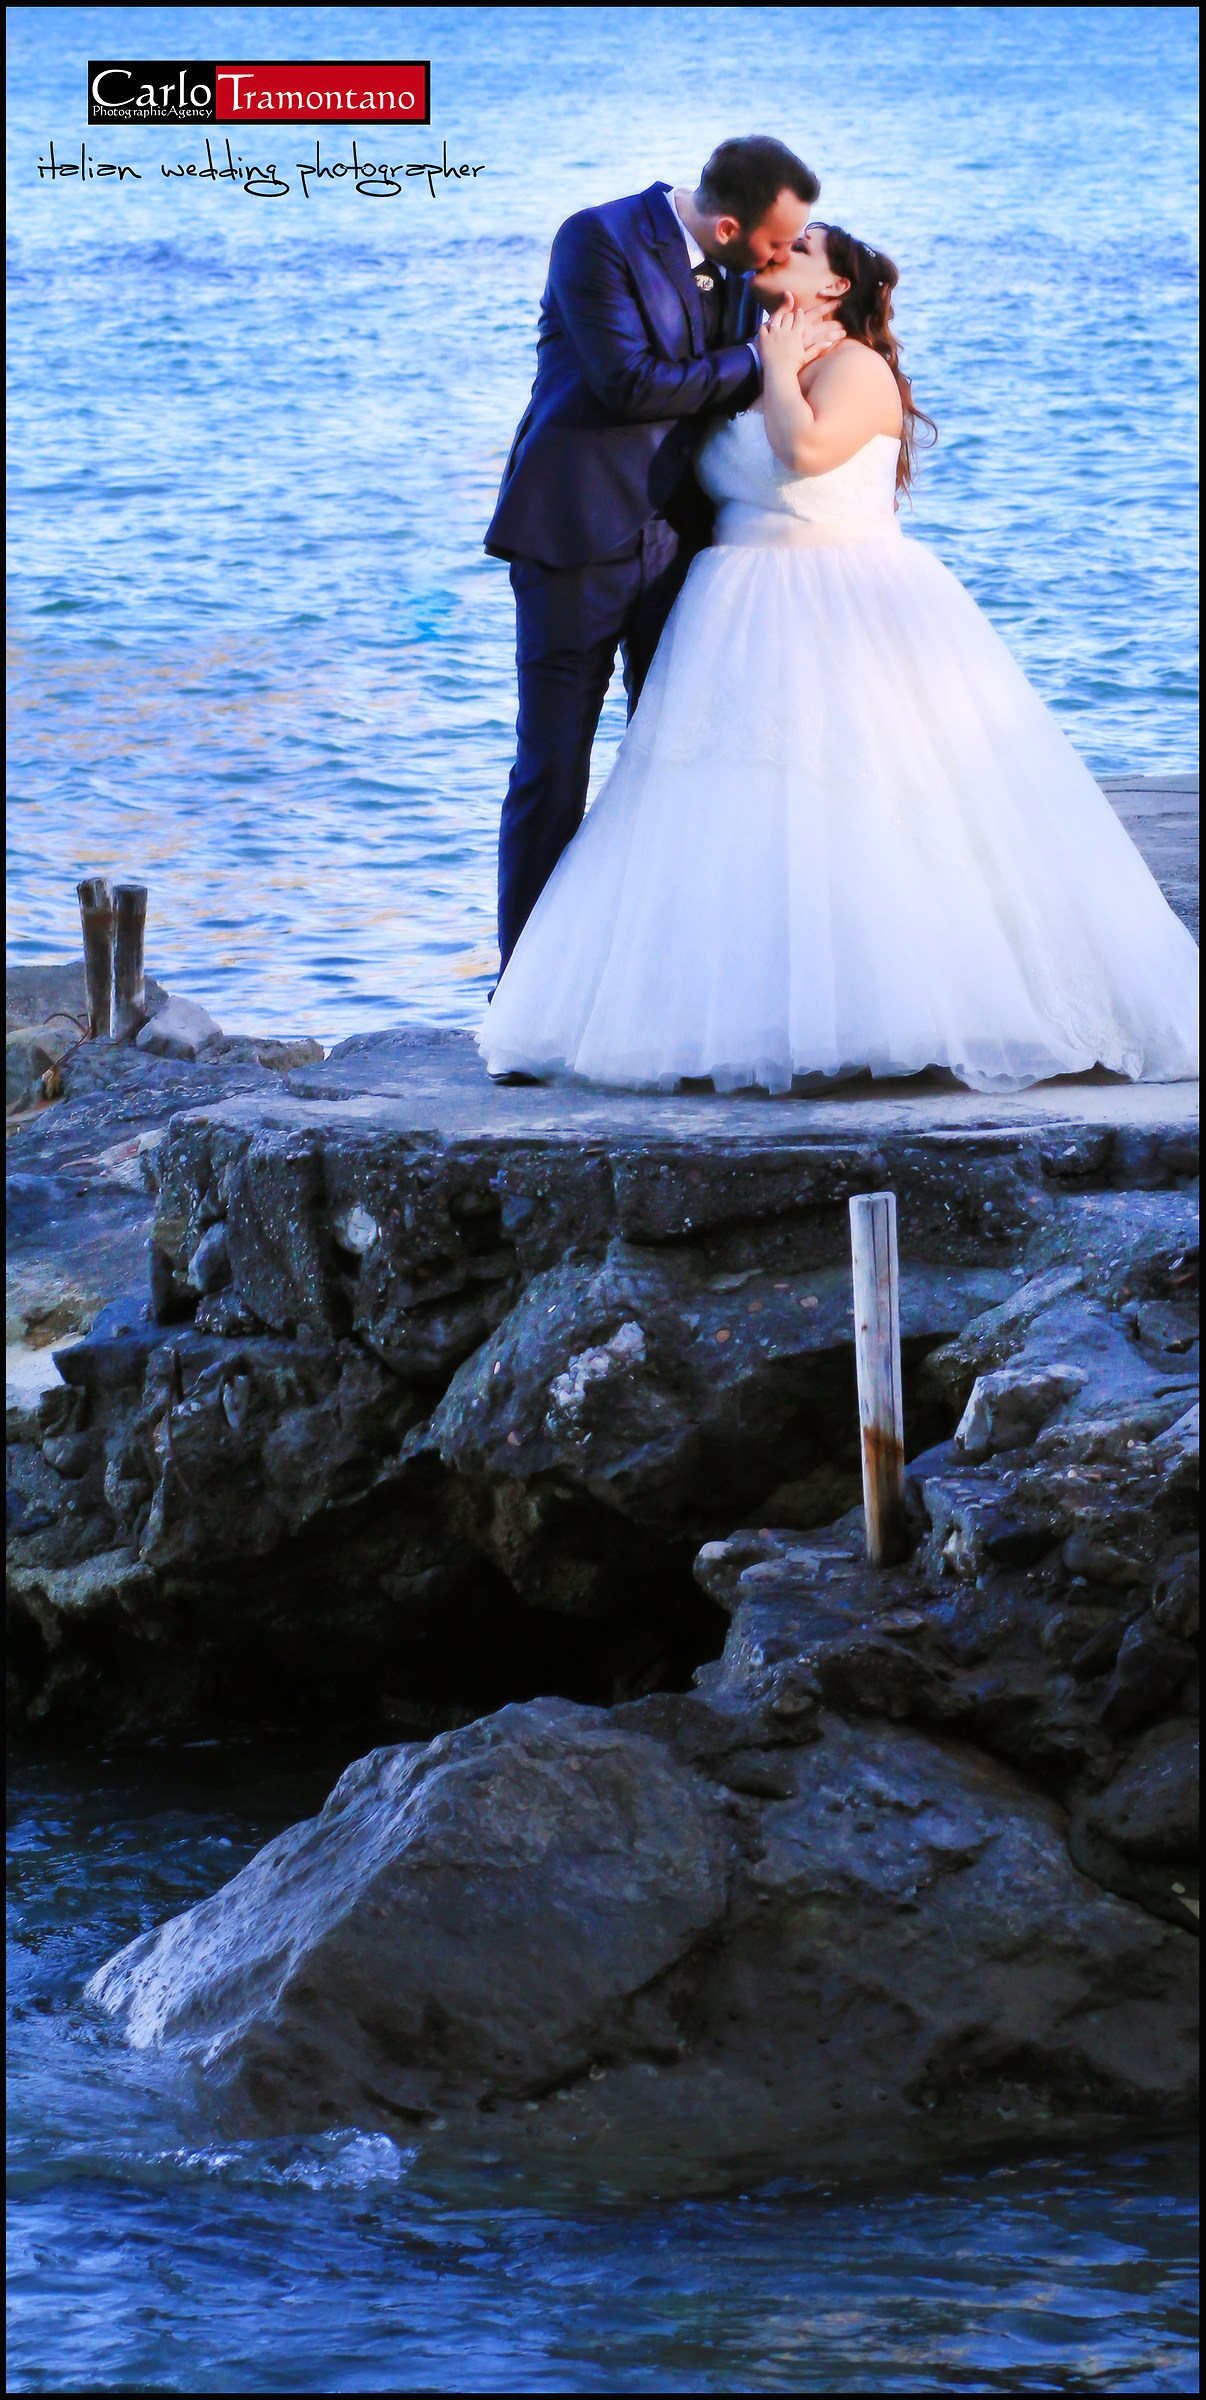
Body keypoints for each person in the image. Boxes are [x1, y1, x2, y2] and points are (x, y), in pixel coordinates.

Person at [480, 222, 1198, 1095]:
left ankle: (899, 1008)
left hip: (843, 601)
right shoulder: (748, 355)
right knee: (726, 814)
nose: (777, 251)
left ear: (834, 287)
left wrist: (776, 367)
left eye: (802, 249)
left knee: (862, 804)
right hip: (734, 609)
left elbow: (804, 452)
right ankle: (720, 1009)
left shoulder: (856, 367)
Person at [485, 136, 845, 982]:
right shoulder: (597, 238)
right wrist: (759, 359)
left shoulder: (750, 273)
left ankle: (657, 983)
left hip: (690, 546)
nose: (784, 256)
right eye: (776, 243)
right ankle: (527, 988)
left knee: (678, 760)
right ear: (727, 228)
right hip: (575, 538)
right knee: (554, 767)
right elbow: (630, 383)